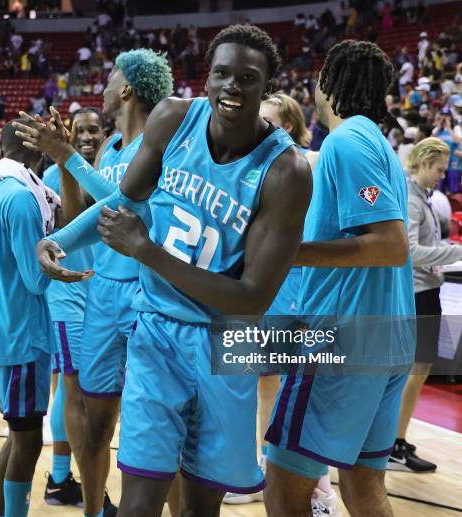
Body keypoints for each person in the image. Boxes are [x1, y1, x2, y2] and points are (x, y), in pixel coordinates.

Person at [30, 25, 312, 516]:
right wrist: (60, 238)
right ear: (206, 79)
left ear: (266, 87)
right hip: (157, 333)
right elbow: (124, 201)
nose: (231, 86)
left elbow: (251, 297)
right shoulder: (173, 119)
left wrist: (147, 252)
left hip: (228, 345)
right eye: (222, 73)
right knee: (139, 503)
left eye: (248, 77)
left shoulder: (287, 170)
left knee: (200, 508)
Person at [14, 48, 174, 517]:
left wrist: (66, 155)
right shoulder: (109, 150)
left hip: (150, 291)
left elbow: (134, 205)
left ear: (126, 89)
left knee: (156, 422)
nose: (102, 87)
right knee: (96, 417)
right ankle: (93, 509)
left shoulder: (161, 144)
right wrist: (57, 240)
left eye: (110, 80)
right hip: (103, 291)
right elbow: (97, 210)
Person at [264, 40, 415, 517]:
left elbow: (390, 245)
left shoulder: (346, 141)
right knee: (363, 484)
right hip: (387, 337)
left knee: (285, 485)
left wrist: (289, 253)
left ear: (328, 83)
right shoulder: (377, 144)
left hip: (343, 337)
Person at [222, 92, 340, 516]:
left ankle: (317, 488)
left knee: (291, 389)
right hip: (264, 286)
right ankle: (263, 471)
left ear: (287, 124)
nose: (258, 127)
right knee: (264, 385)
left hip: (294, 286)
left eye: (267, 120)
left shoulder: (308, 163)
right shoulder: (261, 165)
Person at [0, 121, 62, 517]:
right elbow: (34, 280)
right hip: (23, 337)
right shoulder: (24, 199)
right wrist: (57, 254)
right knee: (27, 444)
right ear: (36, 149)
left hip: (1, 333)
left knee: (16, 438)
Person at [42, 107, 105, 507]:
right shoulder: (54, 176)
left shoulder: (108, 174)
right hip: (67, 297)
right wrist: (66, 158)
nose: (86, 135)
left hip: (97, 296)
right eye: (78, 130)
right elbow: (77, 215)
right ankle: (71, 482)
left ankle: (61, 478)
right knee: (74, 391)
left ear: (104, 133)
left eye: (93, 129)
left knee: (75, 391)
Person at [389, 137, 462, 473]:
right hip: (418, 293)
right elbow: (410, 252)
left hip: (426, 291)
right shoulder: (412, 199)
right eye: (439, 169)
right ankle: (394, 443)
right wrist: (457, 252)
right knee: (415, 371)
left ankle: (395, 440)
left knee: (418, 371)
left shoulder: (424, 198)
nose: (443, 176)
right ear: (422, 162)